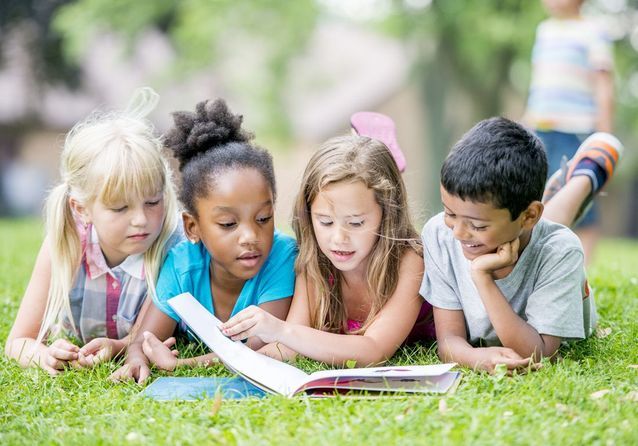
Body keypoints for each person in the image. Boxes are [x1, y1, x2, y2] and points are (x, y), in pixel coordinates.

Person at [110, 98, 297, 383]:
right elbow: (144, 339)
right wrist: (137, 359)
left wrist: (182, 365)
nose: (250, 237)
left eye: (263, 219)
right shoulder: (182, 264)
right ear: (193, 227)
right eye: (228, 224)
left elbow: (256, 348)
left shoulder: (282, 256)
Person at [421, 117, 623, 373]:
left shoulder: (560, 252)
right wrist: (475, 358)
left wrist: (482, 277)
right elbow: (448, 340)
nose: (458, 233)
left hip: (538, 232)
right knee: (538, 226)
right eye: (450, 213)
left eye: (478, 225)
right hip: (525, 221)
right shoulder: (440, 234)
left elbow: (540, 353)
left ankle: (586, 175)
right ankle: (559, 191)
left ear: (529, 215)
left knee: (547, 235)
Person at [4, 88, 182, 375]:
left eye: (152, 202)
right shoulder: (66, 244)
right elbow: (19, 341)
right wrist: (45, 355)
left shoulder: (171, 248)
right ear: (82, 208)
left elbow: (145, 340)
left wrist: (118, 347)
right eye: (120, 208)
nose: (141, 220)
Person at [219, 131, 435, 367]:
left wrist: (280, 330)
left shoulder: (408, 261)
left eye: (355, 223)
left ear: (387, 215)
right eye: (325, 222)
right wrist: (209, 361)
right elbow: (290, 346)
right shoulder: (315, 262)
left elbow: (374, 350)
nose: (338, 238)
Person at [523, 0, 615, 262]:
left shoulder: (593, 31)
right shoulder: (545, 31)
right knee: (540, 197)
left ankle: (584, 270)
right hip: (541, 129)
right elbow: (538, 84)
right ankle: (545, 263)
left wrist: (604, 137)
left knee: (581, 196)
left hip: (576, 129)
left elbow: (603, 86)